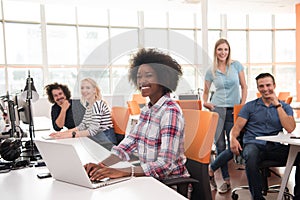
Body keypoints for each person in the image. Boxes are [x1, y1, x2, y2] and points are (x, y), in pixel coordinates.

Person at [84, 48, 189, 182]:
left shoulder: (170, 111)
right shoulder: (147, 110)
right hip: (148, 179)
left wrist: (122, 172)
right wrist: (101, 166)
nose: (142, 81)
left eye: (149, 75)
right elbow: (128, 145)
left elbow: (165, 165)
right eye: (139, 76)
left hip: (168, 183)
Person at [230, 73, 300, 200]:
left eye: (268, 85)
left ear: (274, 85)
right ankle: (257, 197)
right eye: (261, 86)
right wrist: (233, 138)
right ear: (258, 88)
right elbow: (237, 128)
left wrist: (277, 104)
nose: (265, 89)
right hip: (254, 145)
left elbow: (290, 128)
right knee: (251, 154)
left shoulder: (285, 107)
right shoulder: (250, 106)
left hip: (275, 147)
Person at [203, 38, 247, 193]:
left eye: (225, 49)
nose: (223, 52)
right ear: (216, 51)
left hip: (234, 110)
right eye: (220, 49)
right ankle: (226, 181)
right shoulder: (211, 71)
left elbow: (244, 86)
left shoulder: (236, 66)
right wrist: (206, 103)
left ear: (229, 51)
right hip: (218, 108)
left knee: (233, 143)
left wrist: (242, 106)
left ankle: (211, 168)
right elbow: (206, 93)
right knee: (220, 145)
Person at [49, 78, 117, 145]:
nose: (84, 90)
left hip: (106, 142)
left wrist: (68, 135)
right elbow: (82, 126)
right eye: (82, 88)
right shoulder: (89, 106)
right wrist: (62, 133)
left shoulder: (97, 104)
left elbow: (92, 131)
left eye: (88, 88)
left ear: (94, 90)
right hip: (97, 139)